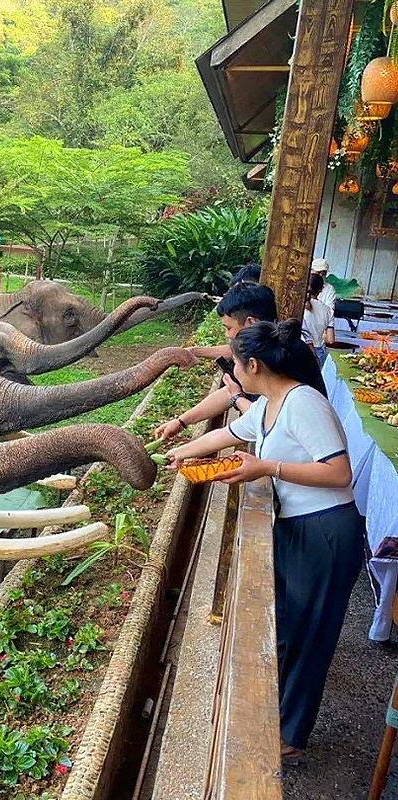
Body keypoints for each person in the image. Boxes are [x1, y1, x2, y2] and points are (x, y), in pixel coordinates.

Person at [165, 319, 363, 761]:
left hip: (326, 530)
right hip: (297, 525)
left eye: (234, 364)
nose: (232, 372)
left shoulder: (303, 402)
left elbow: (338, 472)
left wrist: (267, 469)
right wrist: (179, 449)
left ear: (252, 365)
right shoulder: (270, 404)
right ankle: (278, 718)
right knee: (290, 628)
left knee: (311, 635)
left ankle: (290, 738)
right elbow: (229, 433)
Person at [154, 282, 326, 441]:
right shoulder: (268, 346)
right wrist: (181, 422)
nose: (227, 336)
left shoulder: (281, 355)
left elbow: (265, 420)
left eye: (228, 328)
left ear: (250, 322)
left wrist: (237, 398)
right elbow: (230, 392)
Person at [302, 272, 334, 366]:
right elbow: (330, 339)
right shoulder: (328, 311)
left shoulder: (300, 306)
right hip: (318, 352)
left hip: (301, 349)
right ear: (321, 290)